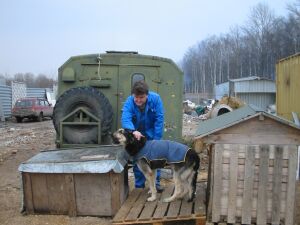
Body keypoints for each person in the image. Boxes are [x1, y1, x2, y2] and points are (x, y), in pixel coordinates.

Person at [121, 80, 164, 192]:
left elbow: (159, 120)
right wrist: (132, 131)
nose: (138, 100)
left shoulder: (156, 99)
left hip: (152, 133)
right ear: (132, 95)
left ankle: (156, 184)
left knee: (155, 159)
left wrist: (156, 140)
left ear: (147, 95)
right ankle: (139, 185)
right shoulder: (129, 102)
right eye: (136, 97)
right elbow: (125, 118)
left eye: (142, 97)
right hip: (137, 135)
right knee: (138, 160)